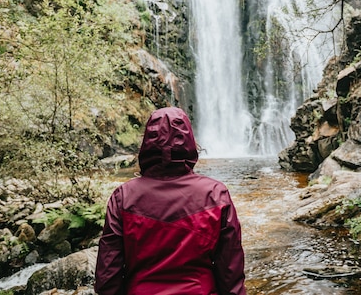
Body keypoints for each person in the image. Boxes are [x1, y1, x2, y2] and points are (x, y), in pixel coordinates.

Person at [94, 107, 247, 295]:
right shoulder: (215, 194)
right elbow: (231, 270)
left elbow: (108, 274)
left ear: (147, 144)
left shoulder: (124, 197)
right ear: (190, 143)